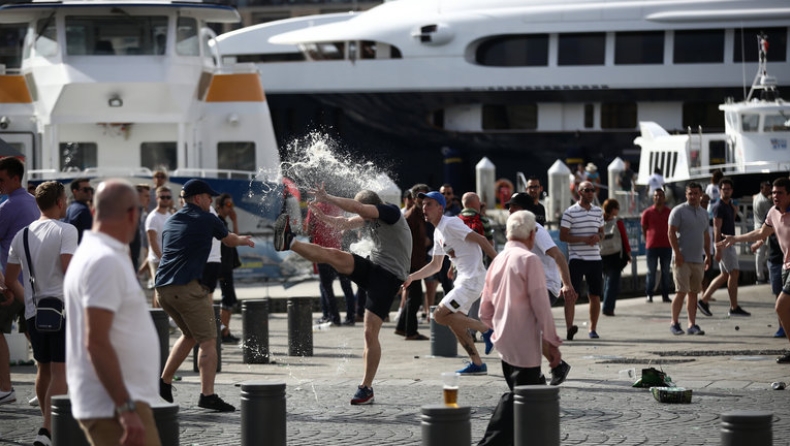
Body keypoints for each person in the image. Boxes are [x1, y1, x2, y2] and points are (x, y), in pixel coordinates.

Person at [272, 185, 411, 405]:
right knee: (334, 255)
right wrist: (322, 216)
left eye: (363, 211)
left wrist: (328, 196)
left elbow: (356, 207)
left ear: (371, 207)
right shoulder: (370, 216)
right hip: (374, 268)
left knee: (369, 333)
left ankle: (366, 388)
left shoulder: (391, 212)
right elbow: (343, 223)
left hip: (389, 279)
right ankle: (289, 242)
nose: (360, 216)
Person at [64, 180, 162, 446]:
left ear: (94, 211)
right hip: (114, 405)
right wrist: (125, 408)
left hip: (113, 401)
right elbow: (95, 341)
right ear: (133, 214)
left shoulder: (94, 254)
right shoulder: (104, 260)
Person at [156, 179, 254, 412]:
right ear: (198, 198)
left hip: (163, 289)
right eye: (208, 197)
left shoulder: (170, 221)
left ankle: (163, 383)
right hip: (186, 288)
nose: (211, 200)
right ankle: (207, 395)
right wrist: (245, 240)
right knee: (209, 341)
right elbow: (229, 240)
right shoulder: (208, 218)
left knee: (189, 335)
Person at [477, 210, 563, 446]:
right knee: (520, 397)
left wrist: (496, 327)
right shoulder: (529, 260)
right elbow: (541, 305)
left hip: (503, 340)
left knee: (522, 395)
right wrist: (553, 343)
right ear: (532, 234)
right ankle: (490, 442)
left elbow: (484, 310)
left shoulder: (498, 260)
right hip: (524, 344)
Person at [5, 181, 77, 446]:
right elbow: (69, 270)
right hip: (61, 310)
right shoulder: (66, 230)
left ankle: (47, 425)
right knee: (60, 372)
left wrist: (30, 301)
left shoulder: (21, 234)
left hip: (35, 313)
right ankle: (47, 430)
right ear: (60, 202)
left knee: (43, 370)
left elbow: (11, 278)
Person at [403, 191, 498, 375]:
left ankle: (487, 330)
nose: (424, 207)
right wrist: (412, 277)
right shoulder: (439, 231)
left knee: (439, 316)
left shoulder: (451, 223)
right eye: (423, 204)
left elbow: (481, 239)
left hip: (472, 280)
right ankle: (477, 364)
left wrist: (500, 261)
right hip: (464, 280)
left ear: (440, 208)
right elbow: (435, 265)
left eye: (429, 204)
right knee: (455, 323)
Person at [715, 178, 790, 362]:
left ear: (789, 195)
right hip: (785, 266)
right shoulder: (772, 213)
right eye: (773, 193)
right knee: (784, 309)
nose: (775, 196)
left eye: (780, 193)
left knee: (780, 306)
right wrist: (735, 239)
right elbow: (760, 233)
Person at [505, 193, 574, 385]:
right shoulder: (517, 231)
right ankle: (553, 368)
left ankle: (539, 372)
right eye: (509, 206)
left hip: (545, 287)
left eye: (514, 206)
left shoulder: (536, 229)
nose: (509, 210)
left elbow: (558, 255)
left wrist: (567, 284)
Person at [0, 157, 40, 406]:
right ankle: (53, 384)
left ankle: (5, 387)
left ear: (16, 178)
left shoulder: (9, 206)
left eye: (2, 179)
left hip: (9, 280)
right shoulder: (33, 203)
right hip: (32, 281)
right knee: (34, 333)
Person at [698, 178, 750, 317]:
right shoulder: (718, 206)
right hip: (724, 244)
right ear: (719, 190)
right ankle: (733, 307)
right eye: (723, 189)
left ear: (732, 191)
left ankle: (704, 300)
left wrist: (734, 210)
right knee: (734, 272)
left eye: (728, 189)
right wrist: (718, 248)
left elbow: (730, 222)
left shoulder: (728, 205)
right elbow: (716, 228)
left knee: (726, 274)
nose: (726, 191)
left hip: (729, 242)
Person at [560, 181, 604, 339]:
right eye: (587, 190)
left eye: (593, 190)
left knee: (595, 295)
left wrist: (598, 236)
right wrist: (584, 239)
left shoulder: (598, 212)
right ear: (579, 192)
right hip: (577, 259)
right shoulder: (570, 212)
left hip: (595, 259)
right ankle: (569, 328)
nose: (591, 193)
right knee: (572, 295)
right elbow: (563, 236)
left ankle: (593, 329)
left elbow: (602, 232)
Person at [668, 182, 711, 336]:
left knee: (694, 293)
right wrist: (677, 253)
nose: (693, 196)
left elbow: (706, 236)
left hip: (698, 259)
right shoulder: (678, 211)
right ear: (686, 195)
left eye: (695, 193)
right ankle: (674, 322)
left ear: (701, 195)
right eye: (689, 193)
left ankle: (692, 324)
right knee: (681, 291)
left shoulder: (704, 213)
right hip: (681, 260)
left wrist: (708, 255)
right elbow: (671, 232)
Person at [303, 200, 347, 326]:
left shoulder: (314, 208)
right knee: (341, 285)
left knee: (326, 286)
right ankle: (340, 315)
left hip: (321, 250)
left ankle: (333, 317)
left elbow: (309, 229)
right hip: (336, 249)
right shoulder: (337, 206)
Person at [395, 187, 429, 340]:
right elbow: (402, 240)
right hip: (411, 263)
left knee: (412, 296)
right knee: (414, 298)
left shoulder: (418, 215)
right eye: (421, 197)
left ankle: (402, 327)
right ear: (414, 198)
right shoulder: (411, 216)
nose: (424, 200)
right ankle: (411, 331)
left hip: (415, 261)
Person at [215, 193, 243, 343]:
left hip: (226, 267)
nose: (231, 208)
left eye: (232, 205)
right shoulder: (218, 222)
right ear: (219, 207)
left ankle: (225, 330)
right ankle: (223, 332)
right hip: (222, 268)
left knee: (230, 299)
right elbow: (235, 241)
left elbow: (235, 239)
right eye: (228, 205)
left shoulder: (224, 223)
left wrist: (235, 220)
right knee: (228, 299)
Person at [600, 199, 631, 316]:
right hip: (615, 256)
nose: (618, 211)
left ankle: (606, 305)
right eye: (617, 208)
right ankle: (608, 308)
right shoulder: (618, 222)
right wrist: (628, 253)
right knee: (612, 283)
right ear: (613, 209)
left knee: (607, 281)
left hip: (602, 255)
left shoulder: (599, 221)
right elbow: (624, 238)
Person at [641, 188, 673, 303]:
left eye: (660, 195)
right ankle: (649, 294)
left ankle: (665, 295)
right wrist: (648, 240)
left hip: (666, 245)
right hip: (652, 246)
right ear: (653, 197)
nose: (658, 197)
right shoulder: (647, 213)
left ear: (664, 198)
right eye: (656, 195)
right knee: (651, 271)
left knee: (666, 271)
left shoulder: (669, 212)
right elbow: (644, 229)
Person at [144, 186, 172, 307]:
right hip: (157, 260)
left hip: (167, 259)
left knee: (166, 291)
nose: (165, 199)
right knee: (159, 291)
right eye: (162, 197)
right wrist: (162, 258)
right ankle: (157, 320)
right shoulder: (153, 217)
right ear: (157, 198)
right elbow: (152, 240)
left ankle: (162, 319)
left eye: (168, 197)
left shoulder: (169, 215)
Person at [753, 181, 773, 284]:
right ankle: (768, 277)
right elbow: (773, 212)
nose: (769, 190)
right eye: (766, 189)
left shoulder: (756, 197)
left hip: (757, 227)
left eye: (769, 188)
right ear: (762, 189)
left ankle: (759, 276)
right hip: (764, 229)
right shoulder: (765, 202)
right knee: (768, 254)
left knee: (759, 254)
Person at [64, 177, 93, 243]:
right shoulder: (83, 210)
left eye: (90, 189)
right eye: (85, 190)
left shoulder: (69, 209)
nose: (89, 192)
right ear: (75, 192)